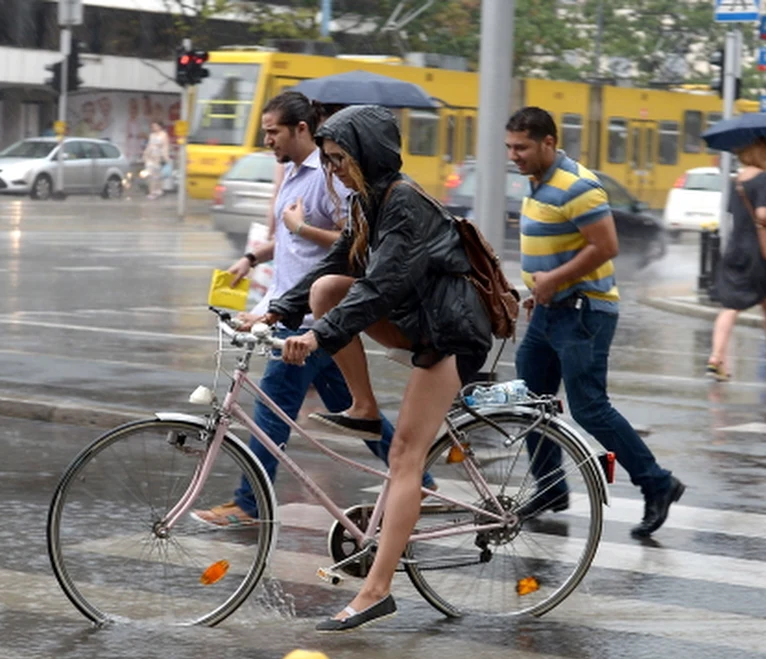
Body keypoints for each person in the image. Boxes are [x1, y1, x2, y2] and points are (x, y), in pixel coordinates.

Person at [249, 105, 492, 631]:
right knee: (325, 288)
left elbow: (380, 288)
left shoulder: (402, 203)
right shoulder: (368, 202)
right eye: (329, 160)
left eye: (339, 160)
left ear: (366, 155)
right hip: (418, 321)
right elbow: (337, 266)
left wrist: (318, 336)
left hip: (450, 335)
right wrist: (275, 311)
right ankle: (362, 406)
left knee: (404, 455)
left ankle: (376, 591)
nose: (332, 170)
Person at [193, 92, 432, 528]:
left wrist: (312, 325)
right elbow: (310, 250)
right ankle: (423, 479)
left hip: (319, 324)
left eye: (272, 131)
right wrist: (261, 283)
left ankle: (250, 504)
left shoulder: (368, 191)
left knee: (269, 416)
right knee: (361, 413)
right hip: (304, 319)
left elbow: (357, 263)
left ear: (300, 129)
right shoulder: (304, 177)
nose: (267, 141)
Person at [504, 106, 683, 539]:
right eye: (509, 147)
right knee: (532, 402)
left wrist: (554, 280)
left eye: (522, 147)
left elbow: (606, 245)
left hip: (584, 312)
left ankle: (657, 483)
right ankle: (550, 488)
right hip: (550, 309)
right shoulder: (538, 182)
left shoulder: (578, 186)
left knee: (589, 408)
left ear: (549, 142)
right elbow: (557, 247)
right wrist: (539, 290)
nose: (514, 155)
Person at [707, 137, 766, 381]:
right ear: (763, 154)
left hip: (735, 248)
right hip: (760, 253)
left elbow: (732, 214)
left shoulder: (736, 182)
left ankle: (716, 357)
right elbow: (763, 214)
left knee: (730, 306)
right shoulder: (765, 180)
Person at [143, 121, 170, 199]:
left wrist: (166, 157)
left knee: (157, 175)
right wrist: (145, 154)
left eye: (155, 126)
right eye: (153, 126)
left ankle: (158, 190)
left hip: (158, 157)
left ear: (159, 126)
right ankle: (152, 192)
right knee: (150, 174)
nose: (154, 128)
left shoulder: (164, 135)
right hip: (150, 156)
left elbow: (165, 146)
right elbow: (149, 145)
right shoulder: (151, 135)